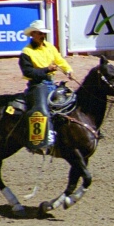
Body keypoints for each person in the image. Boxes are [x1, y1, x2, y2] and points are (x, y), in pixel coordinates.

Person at [19, 20, 73, 149]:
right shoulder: (26, 52)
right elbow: (28, 72)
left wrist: (68, 70)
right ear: (32, 34)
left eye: (43, 33)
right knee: (41, 109)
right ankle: (43, 139)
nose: (42, 35)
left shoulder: (50, 47)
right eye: (39, 33)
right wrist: (47, 70)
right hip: (37, 85)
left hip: (50, 82)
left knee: (69, 103)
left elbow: (59, 59)